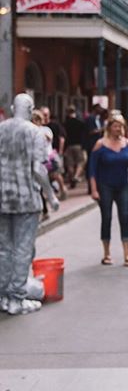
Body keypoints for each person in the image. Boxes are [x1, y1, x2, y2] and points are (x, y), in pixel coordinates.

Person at [0, 94, 59, 316]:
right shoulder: (35, 133)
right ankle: (17, 298)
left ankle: (3, 296)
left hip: (3, 198)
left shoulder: (1, 129)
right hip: (26, 200)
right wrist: (51, 196)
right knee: (23, 249)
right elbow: (38, 169)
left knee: (4, 249)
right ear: (31, 108)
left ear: (13, 107)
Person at [89, 114, 128, 267]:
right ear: (109, 127)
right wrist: (94, 189)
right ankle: (106, 253)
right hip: (105, 185)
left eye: (120, 126)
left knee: (124, 217)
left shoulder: (127, 144)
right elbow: (92, 169)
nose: (118, 128)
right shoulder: (100, 144)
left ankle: (127, 254)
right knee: (106, 217)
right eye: (115, 125)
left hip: (122, 185)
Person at [63, 105, 88, 191]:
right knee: (81, 162)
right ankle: (76, 176)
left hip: (69, 145)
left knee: (70, 164)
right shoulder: (80, 123)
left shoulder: (65, 123)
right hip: (78, 145)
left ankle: (71, 178)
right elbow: (84, 134)